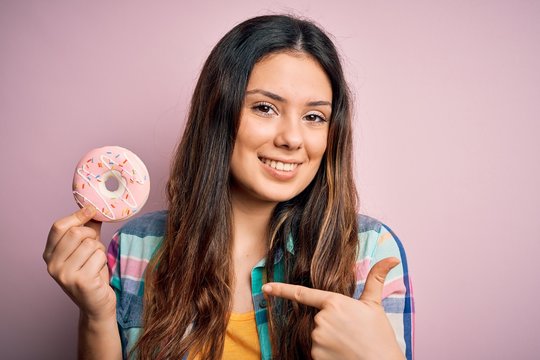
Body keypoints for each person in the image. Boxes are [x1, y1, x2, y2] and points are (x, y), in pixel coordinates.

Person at [44, 14, 414, 360]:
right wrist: (96, 316)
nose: (292, 138)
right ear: (217, 112)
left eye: (314, 116)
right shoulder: (135, 248)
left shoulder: (368, 252)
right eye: (265, 108)